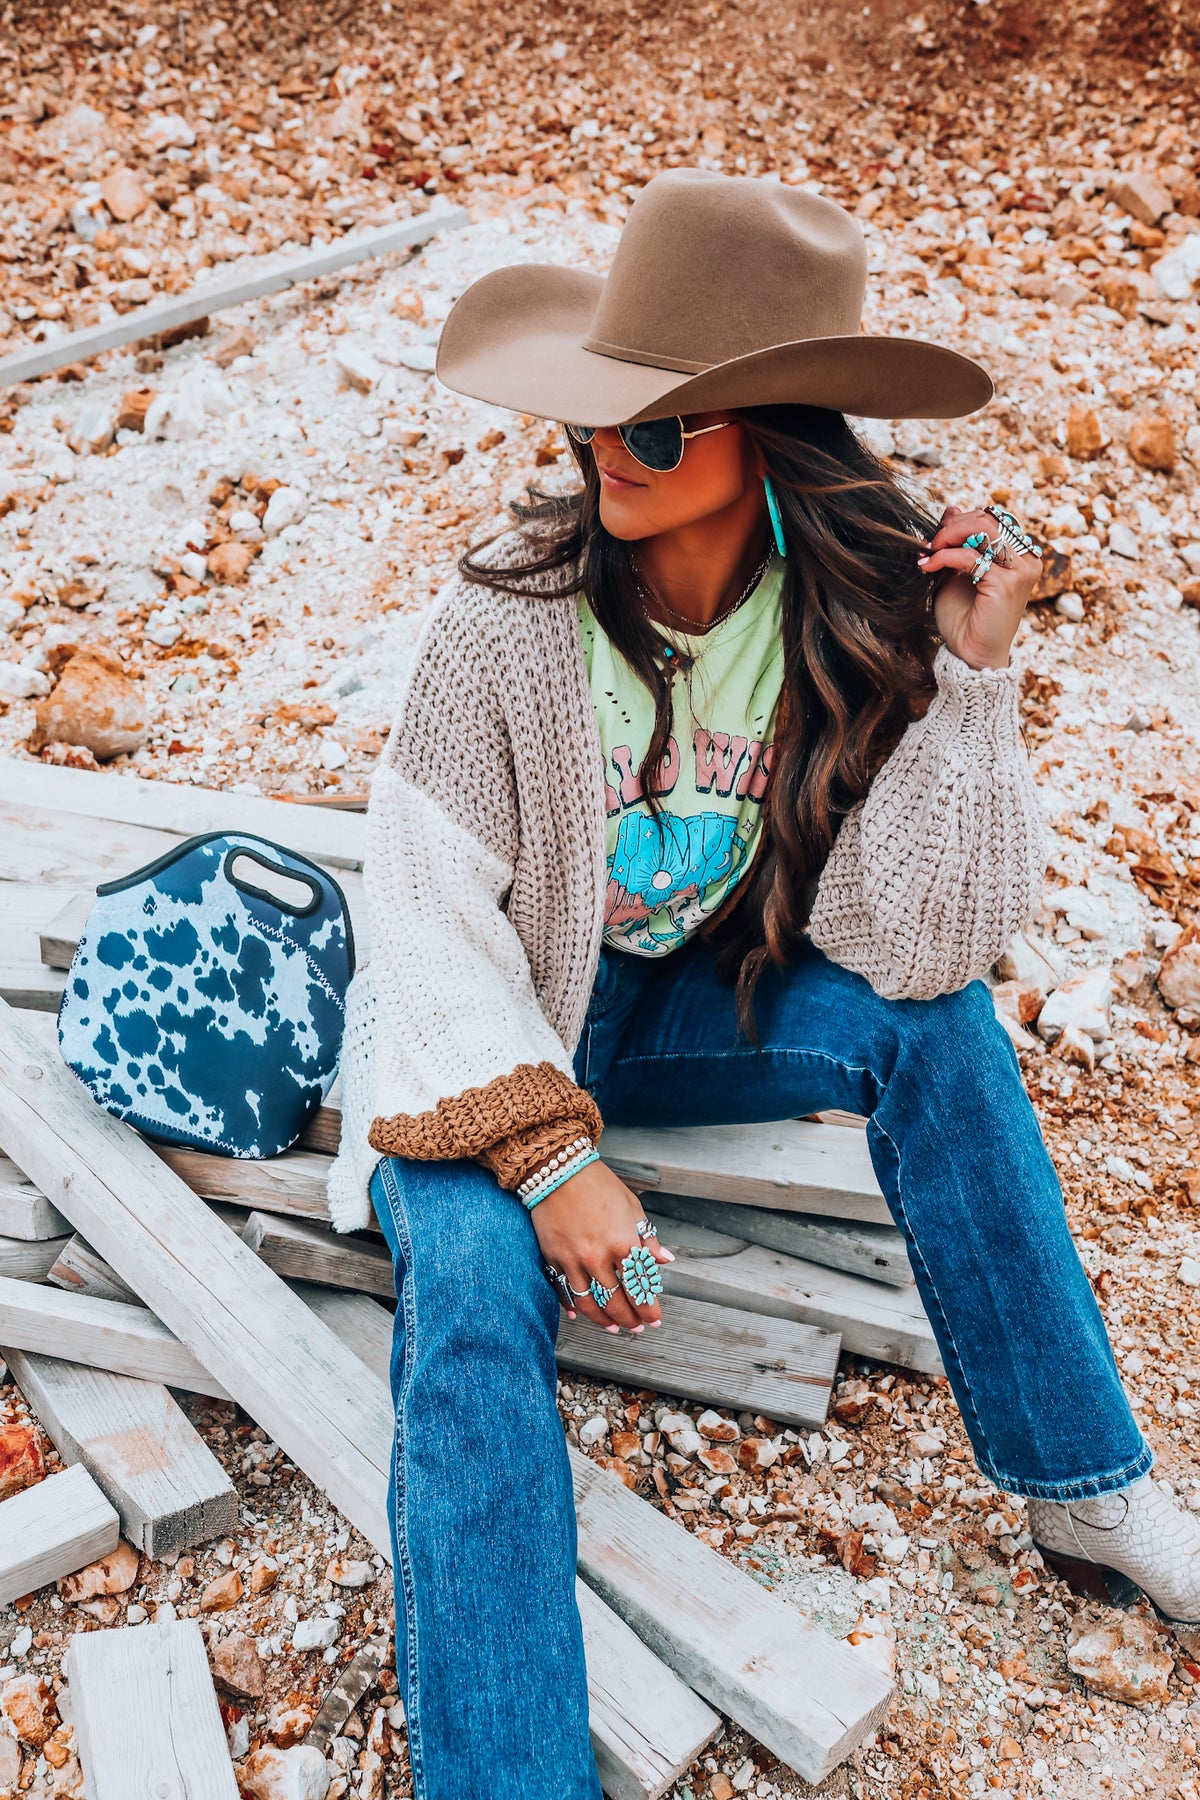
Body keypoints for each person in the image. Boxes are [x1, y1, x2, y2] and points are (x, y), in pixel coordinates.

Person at [327, 171, 1200, 1798]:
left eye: (656, 432)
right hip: (491, 1029)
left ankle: (1084, 1480)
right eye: (599, 420)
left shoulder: (855, 602)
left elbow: (914, 941)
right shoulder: (502, 625)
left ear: (768, 435)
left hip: (679, 1010)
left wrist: (973, 678)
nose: (606, 455)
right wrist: (550, 1154)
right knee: (465, 1278)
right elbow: (426, 919)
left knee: (935, 1034)